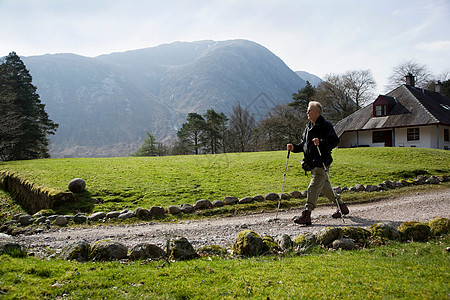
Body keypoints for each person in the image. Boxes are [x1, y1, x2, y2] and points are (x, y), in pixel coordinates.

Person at [287, 101, 349, 225]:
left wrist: (321, 142)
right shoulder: (308, 127)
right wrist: (294, 147)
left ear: (317, 112)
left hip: (322, 162)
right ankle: (341, 207)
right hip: (312, 164)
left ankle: (307, 213)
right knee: (325, 188)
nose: (307, 112)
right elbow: (303, 145)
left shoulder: (326, 125)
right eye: (307, 110)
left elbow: (334, 141)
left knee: (313, 187)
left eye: (309, 110)